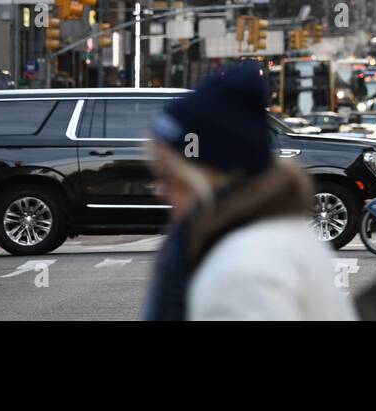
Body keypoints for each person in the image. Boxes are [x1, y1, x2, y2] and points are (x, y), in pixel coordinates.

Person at [143, 62, 355, 321]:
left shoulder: (241, 273)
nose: (160, 191)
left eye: (168, 175)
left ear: (207, 176)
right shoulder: (274, 234)